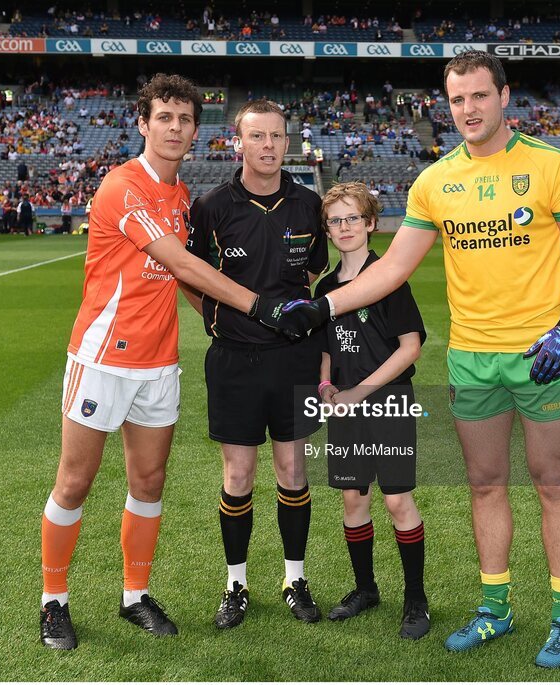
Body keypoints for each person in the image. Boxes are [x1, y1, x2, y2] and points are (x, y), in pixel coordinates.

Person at [279, 50, 560, 668]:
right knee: (485, 485)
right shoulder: (435, 182)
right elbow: (394, 268)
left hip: (542, 352)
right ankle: (495, 608)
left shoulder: (549, 165)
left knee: (553, 482)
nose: (468, 110)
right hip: (472, 359)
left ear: (504, 96)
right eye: (457, 100)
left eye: (479, 96)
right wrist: (322, 311)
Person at [38, 74, 294, 652]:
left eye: (184, 120)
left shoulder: (182, 199)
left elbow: (182, 280)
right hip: (103, 357)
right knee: (75, 482)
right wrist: (258, 307)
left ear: (195, 130)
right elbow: (177, 259)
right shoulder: (122, 187)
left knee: (149, 481)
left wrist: (225, 321)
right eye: (164, 118)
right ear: (143, 123)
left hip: (158, 361)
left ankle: (135, 596)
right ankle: (54, 602)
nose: (174, 129)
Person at [183, 99, 328, 630]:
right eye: (257, 136)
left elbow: (309, 280)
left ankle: (295, 578)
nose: (268, 146)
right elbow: (191, 278)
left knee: (293, 469)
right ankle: (236, 585)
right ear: (238, 142)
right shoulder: (213, 206)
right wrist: (222, 322)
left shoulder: (308, 205)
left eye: (277, 137)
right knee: (239, 474)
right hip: (234, 362)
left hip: (294, 359)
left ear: (289, 143)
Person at [314, 182, 430, 640]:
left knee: (397, 500)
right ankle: (366, 589)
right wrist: (326, 384)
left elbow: (411, 346)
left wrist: (360, 391)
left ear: (369, 224)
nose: (344, 228)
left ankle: (416, 600)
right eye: (335, 221)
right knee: (353, 499)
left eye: (352, 219)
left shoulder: (389, 277)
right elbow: (324, 349)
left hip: (390, 402)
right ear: (327, 229)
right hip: (344, 408)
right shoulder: (326, 288)